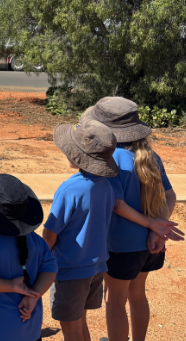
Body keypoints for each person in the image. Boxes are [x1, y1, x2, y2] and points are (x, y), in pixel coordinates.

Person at [80, 97, 183, 341]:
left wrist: (151, 225)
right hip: (150, 245)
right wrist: (157, 228)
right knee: (138, 294)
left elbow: (117, 205)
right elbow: (170, 194)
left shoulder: (111, 157)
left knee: (114, 300)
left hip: (121, 245)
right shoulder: (150, 155)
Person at [44, 119, 118, 341]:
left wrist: (39, 260)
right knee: (81, 323)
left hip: (70, 269)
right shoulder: (106, 186)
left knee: (71, 330)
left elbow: (50, 234)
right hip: (96, 266)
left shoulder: (69, 189)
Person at [0, 173, 58, 341]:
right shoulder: (36, 241)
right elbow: (51, 268)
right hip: (30, 329)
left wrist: (12, 285)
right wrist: (34, 295)